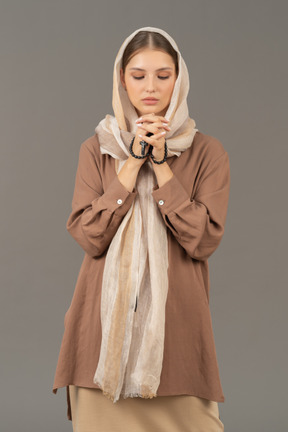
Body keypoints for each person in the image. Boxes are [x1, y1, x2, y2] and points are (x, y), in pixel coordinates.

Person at [52, 26, 230, 431]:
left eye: (163, 75)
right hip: (101, 339)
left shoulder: (207, 153)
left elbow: (201, 240)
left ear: (179, 80)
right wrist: (132, 163)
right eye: (138, 75)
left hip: (178, 335)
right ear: (122, 80)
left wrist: (163, 166)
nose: (151, 86)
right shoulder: (96, 150)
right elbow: (88, 235)